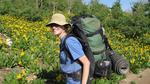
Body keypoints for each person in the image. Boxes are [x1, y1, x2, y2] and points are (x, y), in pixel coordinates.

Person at [46, 13, 90, 84]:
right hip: (69, 80)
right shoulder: (64, 40)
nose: (53, 27)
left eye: (56, 25)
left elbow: (86, 62)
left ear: (64, 27)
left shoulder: (69, 41)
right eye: (52, 25)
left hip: (76, 81)